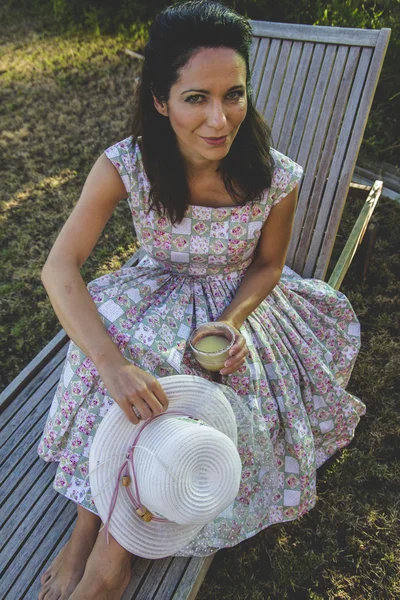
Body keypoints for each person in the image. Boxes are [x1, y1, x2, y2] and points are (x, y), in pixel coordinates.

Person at [36, 1, 366, 598]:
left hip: (237, 305)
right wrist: (112, 365)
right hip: (156, 286)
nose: (220, 119)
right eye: (196, 98)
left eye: (233, 94)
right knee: (114, 352)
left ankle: (111, 553)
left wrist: (232, 322)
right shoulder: (126, 166)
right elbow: (59, 267)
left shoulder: (275, 175)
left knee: (185, 373)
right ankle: (89, 528)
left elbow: (268, 265)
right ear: (161, 100)